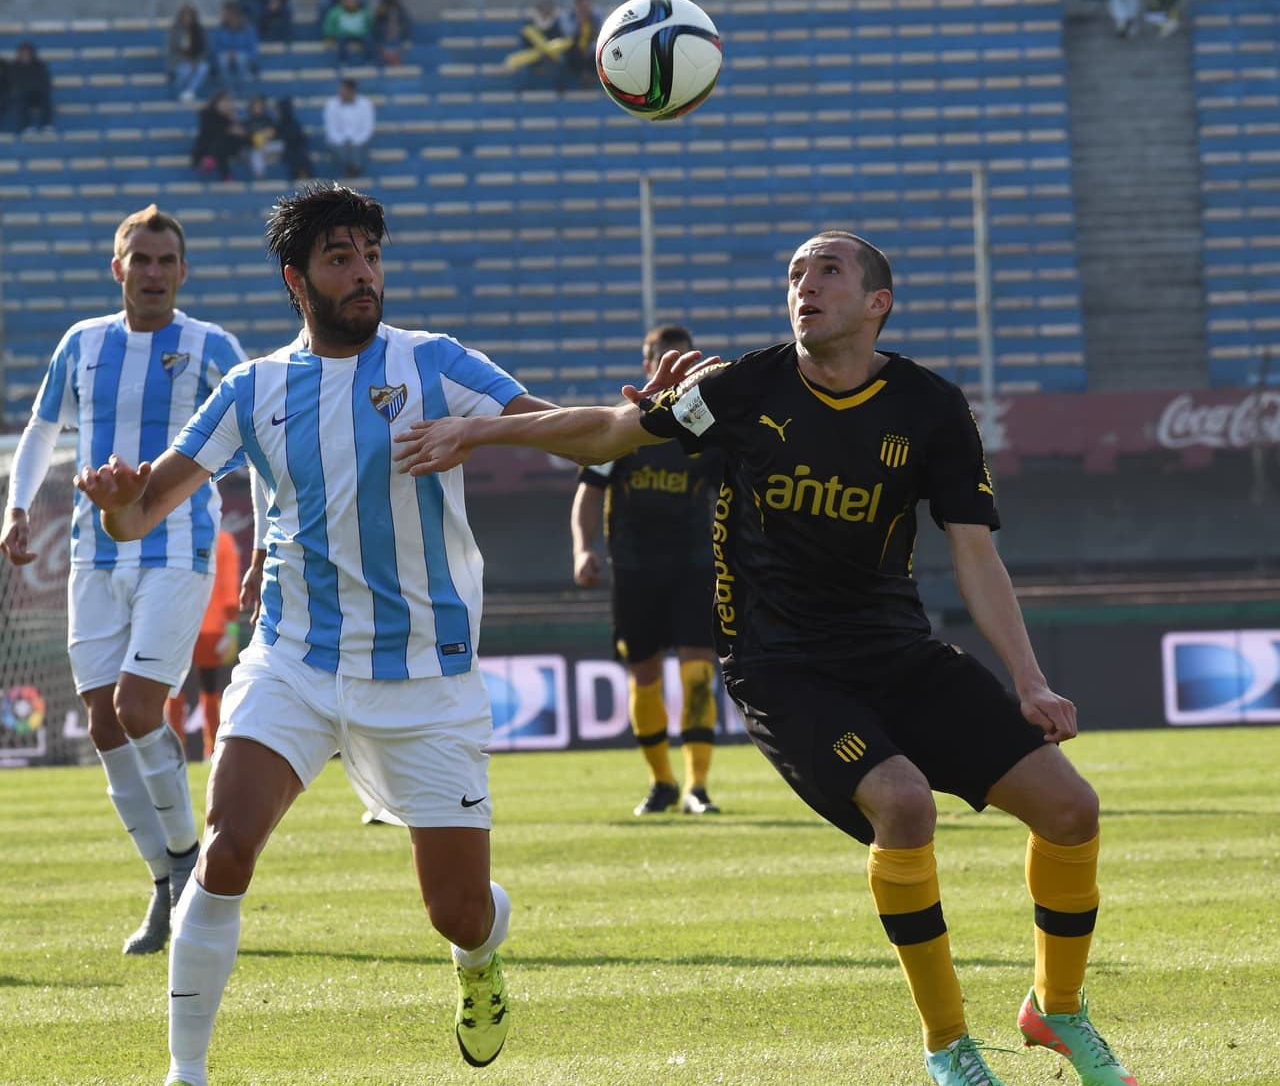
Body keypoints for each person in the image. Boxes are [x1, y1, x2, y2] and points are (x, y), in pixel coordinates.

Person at [392, 229, 1140, 1086]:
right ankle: (948, 1047)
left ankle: (1057, 1009)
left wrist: (1030, 678)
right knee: (902, 805)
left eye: (827, 270)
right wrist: (477, 432)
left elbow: (974, 553)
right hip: (780, 665)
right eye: (794, 273)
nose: (804, 285)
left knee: (1071, 808)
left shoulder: (932, 406)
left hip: (899, 652)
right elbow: (606, 432)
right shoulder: (740, 387)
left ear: (876, 303)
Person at [71, 182, 651, 1085]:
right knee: (225, 849)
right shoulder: (251, 387)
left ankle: (479, 960)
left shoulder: (434, 363)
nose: (364, 273)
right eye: (341, 258)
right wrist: (113, 507)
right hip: (294, 660)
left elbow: (591, 436)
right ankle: (185, 1073)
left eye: (371, 255)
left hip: (426, 677)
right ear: (297, 280)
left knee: (457, 909)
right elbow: (142, 512)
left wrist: (494, 430)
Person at [0, 204, 247, 957]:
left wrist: (268, 542)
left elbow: (259, 436)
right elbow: (43, 429)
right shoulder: (81, 344)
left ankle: (186, 865)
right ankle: (168, 874)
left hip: (178, 547)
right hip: (92, 554)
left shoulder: (213, 346)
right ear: (118, 269)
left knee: (140, 706)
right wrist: (15, 508)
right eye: (139, 259)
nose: (153, 272)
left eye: (166, 260)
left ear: (182, 270)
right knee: (105, 721)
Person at [571, 325, 723, 817]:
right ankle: (662, 783)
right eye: (664, 358)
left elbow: (730, 493)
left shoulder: (702, 428)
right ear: (648, 366)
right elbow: (588, 493)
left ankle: (698, 788)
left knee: (699, 670)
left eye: (682, 357)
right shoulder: (623, 425)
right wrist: (581, 549)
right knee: (645, 673)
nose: (673, 366)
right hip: (634, 567)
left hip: (694, 564)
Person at [166, 528, 242, 760]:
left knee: (173, 688)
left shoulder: (174, 536)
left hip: (178, 626)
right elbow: (230, 586)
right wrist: (231, 629)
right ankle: (213, 750)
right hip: (211, 627)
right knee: (210, 690)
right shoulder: (223, 540)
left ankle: (176, 750)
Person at [503, 0, 571, 90]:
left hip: (552, 56)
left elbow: (559, 40)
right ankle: (525, 89)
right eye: (544, 8)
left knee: (563, 61)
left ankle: (560, 88)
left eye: (548, 8)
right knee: (523, 66)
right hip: (533, 55)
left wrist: (547, 50)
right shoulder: (530, 24)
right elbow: (526, 43)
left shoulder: (556, 24)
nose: (546, 11)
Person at [322, 76, 375, 177]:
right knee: (336, 146)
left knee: (358, 148)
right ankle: (354, 168)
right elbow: (331, 129)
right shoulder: (331, 105)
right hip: (338, 142)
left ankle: (352, 169)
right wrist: (344, 141)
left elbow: (367, 128)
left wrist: (353, 141)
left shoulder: (365, 104)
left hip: (358, 142)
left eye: (343, 90)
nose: (341, 93)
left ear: (352, 91)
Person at [191, 90, 249, 182]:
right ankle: (225, 174)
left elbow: (242, 135)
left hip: (225, 148)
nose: (226, 105)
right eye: (223, 102)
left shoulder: (231, 116)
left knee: (226, 140)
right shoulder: (207, 114)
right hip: (207, 147)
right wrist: (228, 129)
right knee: (222, 139)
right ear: (216, 103)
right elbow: (209, 132)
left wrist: (234, 121)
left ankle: (211, 161)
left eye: (228, 102)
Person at [208, 0, 259, 96]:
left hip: (245, 60)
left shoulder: (248, 29)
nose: (222, 14)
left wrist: (238, 54)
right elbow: (215, 50)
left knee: (240, 58)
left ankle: (242, 89)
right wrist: (228, 54)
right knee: (223, 59)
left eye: (224, 12)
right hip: (224, 60)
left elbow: (253, 50)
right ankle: (229, 90)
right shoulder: (220, 29)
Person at [559, 0, 602, 90]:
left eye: (588, 4)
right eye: (583, 5)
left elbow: (601, 34)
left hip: (591, 51)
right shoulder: (568, 16)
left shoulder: (597, 16)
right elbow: (568, 35)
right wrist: (579, 21)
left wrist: (590, 48)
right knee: (571, 53)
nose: (586, 8)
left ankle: (589, 78)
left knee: (598, 53)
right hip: (574, 50)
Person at [7, 40, 54, 134]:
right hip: (23, 94)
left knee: (46, 98)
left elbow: (45, 81)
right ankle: (26, 127)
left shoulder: (40, 65)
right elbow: (12, 82)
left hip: (38, 93)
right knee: (20, 99)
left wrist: (40, 89)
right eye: (23, 53)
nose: (25, 55)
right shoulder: (14, 66)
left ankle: (47, 125)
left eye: (27, 53)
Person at [323, 0, 375, 67]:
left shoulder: (364, 11)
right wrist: (329, 36)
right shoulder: (336, 11)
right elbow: (329, 25)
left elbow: (370, 24)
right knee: (341, 40)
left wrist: (370, 30)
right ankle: (343, 61)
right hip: (343, 34)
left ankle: (369, 61)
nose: (351, 2)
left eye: (354, 0)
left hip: (361, 34)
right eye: (349, 0)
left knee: (369, 39)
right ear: (343, 1)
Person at [166, 4, 210, 103]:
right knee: (184, 71)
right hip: (179, 62)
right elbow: (173, 50)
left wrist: (196, 61)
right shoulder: (175, 31)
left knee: (204, 68)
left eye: (190, 16)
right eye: (185, 16)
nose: (187, 19)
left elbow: (205, 50)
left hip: (197, 61)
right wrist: (187, 62)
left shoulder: (200, 30)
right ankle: (177, 95)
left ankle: (189, 92)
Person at [372, 0, 413, 67]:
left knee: (399, 49)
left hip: (398, 39)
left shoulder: (400, 10)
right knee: (381, 50)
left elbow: (407, 26)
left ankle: (395, 61)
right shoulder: (380, 11)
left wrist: (400, 34)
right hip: (384, 40)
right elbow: (375, 28)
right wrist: (380, 15)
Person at [273, 96, 313, 180]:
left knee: (299, 154)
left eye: (278, 110)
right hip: (287, 151)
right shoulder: (279, 124)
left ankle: (303, 176)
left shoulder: (293, 124)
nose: (276, 113)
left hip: (295, 153)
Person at [244, 93, 283, 179]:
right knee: (256, 153)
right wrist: (258, 136)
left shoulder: (268, 120)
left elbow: (276, 133)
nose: (258, 107)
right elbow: (248, 138)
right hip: (257, 147)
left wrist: (269, 134)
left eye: (260, 105)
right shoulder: (248, 122)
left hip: (271, 145)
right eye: (256, 105)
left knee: (283, 144)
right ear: (251, 107)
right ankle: (260, 176)